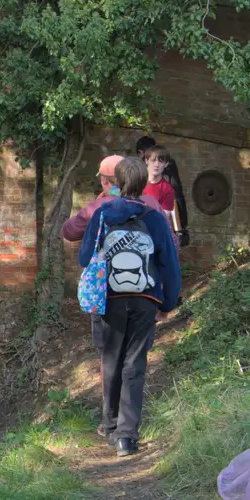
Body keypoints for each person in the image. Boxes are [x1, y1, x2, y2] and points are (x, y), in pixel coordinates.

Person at [78, 157, 181, 457]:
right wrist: (168, 302)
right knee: (134, 364)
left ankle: (109, 425)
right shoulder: (155, 218)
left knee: (111, 360)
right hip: (145, 299)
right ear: (142, 183)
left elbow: (85, 257)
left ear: (118, 182)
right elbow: (169, 264)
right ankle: (127, 436)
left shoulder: (103, 214)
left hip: (110, 299)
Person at [62, 154, 167, 243]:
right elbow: (170, 240)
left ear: (104, 180)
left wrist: (96, 203)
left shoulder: (98, 206)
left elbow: (69, 232)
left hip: (108, 266)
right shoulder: (152, 203)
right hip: (146, 265)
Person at [137, 136, 190, 245]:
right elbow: (178, 194)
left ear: (140, 152)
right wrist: (182, 227)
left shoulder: (140, 167)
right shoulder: (169, 163)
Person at [142, 145, 182, 236]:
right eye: (153, 160)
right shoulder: (137, 182)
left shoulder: (167, 190)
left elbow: (163, 219)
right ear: (146, 160)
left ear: (166, 164)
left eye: (161, 161)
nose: (156, 164)